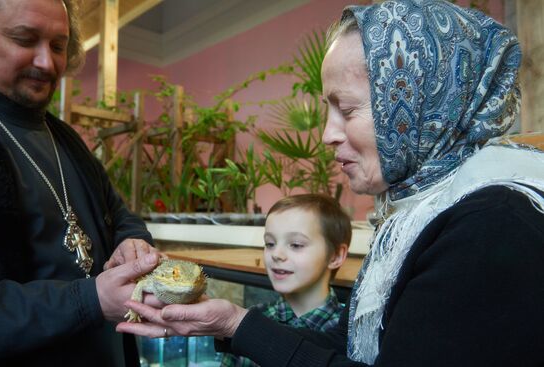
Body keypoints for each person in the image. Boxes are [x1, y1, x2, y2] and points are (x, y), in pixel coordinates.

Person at [117, 1, 544, 366]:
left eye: (347, 109)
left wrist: (237, 323)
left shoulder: (491, 225)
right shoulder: (420, 210)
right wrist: (231, 321)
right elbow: (353, 350)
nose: (327, 134)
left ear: (415, 102)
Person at [0, 0, 162, 365]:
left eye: (57, 46)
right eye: (24, 39)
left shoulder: (65, 138)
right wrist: (88, 300)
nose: (46, 63)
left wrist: (133, 242)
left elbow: (118, 215)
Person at [220, 194, 350, 367]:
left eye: (296, 245)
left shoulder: (351, 333)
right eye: (270, 244)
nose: (276, 254)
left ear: (335, 255)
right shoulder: (251, 319)